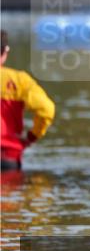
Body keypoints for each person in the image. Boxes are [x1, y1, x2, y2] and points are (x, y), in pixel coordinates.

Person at [1, 30, 56, 172]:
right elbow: (47, 109)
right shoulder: (20, 80)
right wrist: (32, 136)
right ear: (5, 52)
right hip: (8, 156)